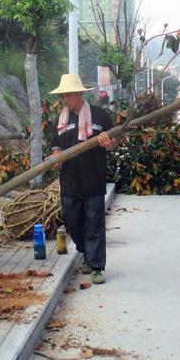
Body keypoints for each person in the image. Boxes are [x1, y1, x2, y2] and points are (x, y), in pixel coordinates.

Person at [48, 74, 118, 284]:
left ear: (78, 94)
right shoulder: (60, 121)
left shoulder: (100, 116)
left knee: (95, 224)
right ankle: (85, 252)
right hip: (69, 181)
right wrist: (55, 157)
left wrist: (109, 142)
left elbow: (114, 141)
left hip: (93, 179)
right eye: (63, 96)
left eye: (68, 95)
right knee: (73, 223)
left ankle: (96, 266)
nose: (65, 99)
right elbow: (54, 146)